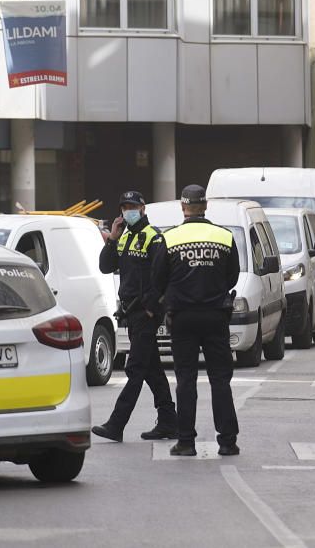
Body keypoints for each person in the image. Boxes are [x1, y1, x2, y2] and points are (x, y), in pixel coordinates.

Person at [152, 184, 241, 457]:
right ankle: (227, 441)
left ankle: (186, 442)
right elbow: (233, 275)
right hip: (215, 315)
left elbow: (158, 280)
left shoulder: (170, 238)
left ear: (183, 207)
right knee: (220, 380)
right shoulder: (224, 237)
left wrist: (173, 297)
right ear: (205, 206)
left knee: (186, 380)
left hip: (183, 318)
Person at [91, 190, 177, 443]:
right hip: (131, 313)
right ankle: (168, 421)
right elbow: (106, 266)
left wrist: (152, 308)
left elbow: (163, 278)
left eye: (133, 206)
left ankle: (116, 425)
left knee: (135, 368)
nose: (128, 211)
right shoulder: (125, 237)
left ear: (143, 209)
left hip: (146, 313)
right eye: (124, 207)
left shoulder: (155, 238)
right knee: (152, 370)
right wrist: (112, 239)